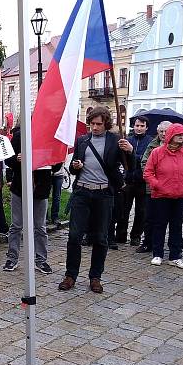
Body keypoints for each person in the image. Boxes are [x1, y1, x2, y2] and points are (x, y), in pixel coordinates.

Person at [58, 106, 134, 293]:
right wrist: (76, 165)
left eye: (99, 124)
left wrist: (130, 151)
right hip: (82, 193)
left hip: (103, 195)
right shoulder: (82, 140)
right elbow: (75, 168)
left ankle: (95, 277)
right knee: (74, 236)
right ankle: (70, 275)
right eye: (92, 123)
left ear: (106, 124)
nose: (95, 127)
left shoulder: (115, 141)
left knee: (101, 238)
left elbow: (130, 167)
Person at [143, 123, 183, 269]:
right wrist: (157, 184)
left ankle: (175, 256)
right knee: (159, 224)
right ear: (171, 135)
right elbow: (148, 172)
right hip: (161, 195)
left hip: (181, 195)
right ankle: (157, 253)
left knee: (177, 226)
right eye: (178, 134)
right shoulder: (157, 152)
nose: (181, 137)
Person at [3, 125, 58, 274]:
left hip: (40, 189)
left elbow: (57, 164)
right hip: (20, 187)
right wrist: (16, 159)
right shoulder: (20, 136)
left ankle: (41, 260)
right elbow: (8, 159)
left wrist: (51, 160)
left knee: (40, 227)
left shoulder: (51, 138)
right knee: (16, 225)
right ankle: (12, 258)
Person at [135, 120, 172, 253]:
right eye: (161, 131)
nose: (163, 134)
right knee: (149, 216)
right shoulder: (152, 145)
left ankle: (160, 243)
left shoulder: (177, 145)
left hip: (169, 188)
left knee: (163, 218)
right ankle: (147, 242)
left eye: (166, 131)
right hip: (152, 187)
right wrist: (153, 177)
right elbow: (144, 162)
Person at [116, 116, 152, 246]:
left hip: (143, 181)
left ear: (146, 127)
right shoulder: (128, 140)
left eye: (142, 126)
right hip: (128, 180)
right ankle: (120, 234)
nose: (139, 128)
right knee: (123, 209)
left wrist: (132, 152)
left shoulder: (150, 142)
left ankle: (136, 236)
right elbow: (120, 158)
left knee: (141, 211)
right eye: (137, 125)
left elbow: (147, 160)